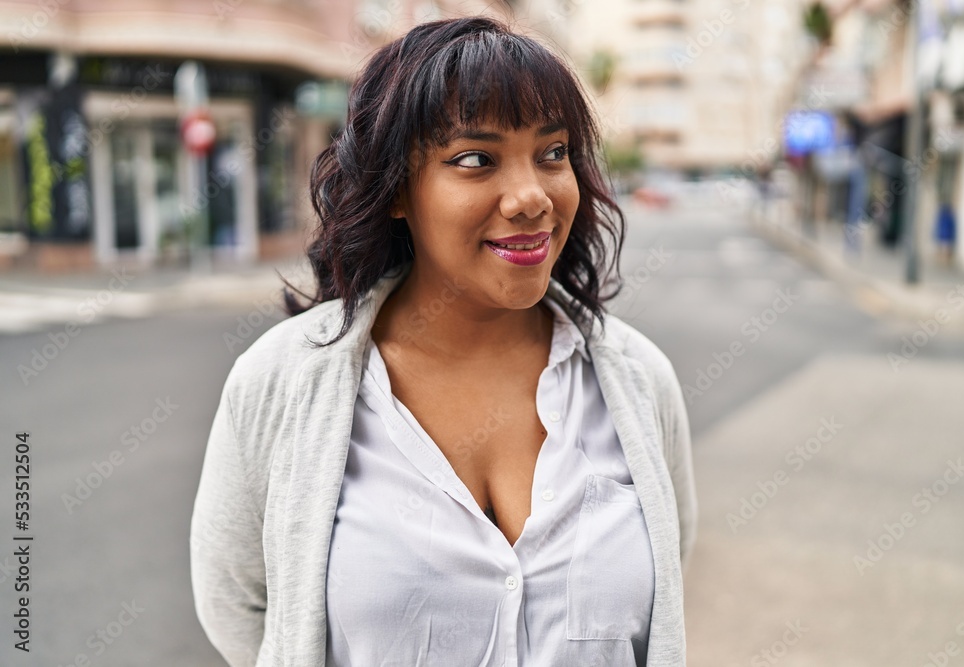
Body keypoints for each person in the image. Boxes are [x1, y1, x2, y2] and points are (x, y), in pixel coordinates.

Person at [190, 16, 696, 667]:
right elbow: (242, 608)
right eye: (476, 160)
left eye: (552, 153)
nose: (531, 197)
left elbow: (665, 567)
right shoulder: (278, 382)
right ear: (398, 187)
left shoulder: (638, 380)